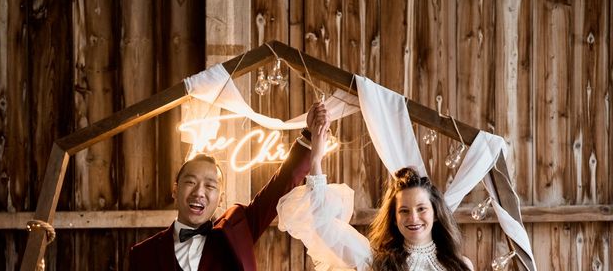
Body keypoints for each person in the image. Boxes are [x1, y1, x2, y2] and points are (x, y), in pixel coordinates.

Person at [277, 102, 474, 271]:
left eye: (421, 208)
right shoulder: (375, 260)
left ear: (436, 213)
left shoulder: (461, 265)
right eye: (404, 211)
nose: (413, 217)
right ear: (394, 219)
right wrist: (316, 158)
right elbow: (323, 224)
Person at [128, 105, 322, 271]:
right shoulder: (142, 254)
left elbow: (278, 187)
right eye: (190, 182)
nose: (199, 192)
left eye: (210, 185)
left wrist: (308, 135)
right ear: (175, 190)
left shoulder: (236, 232)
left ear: (220, 198)